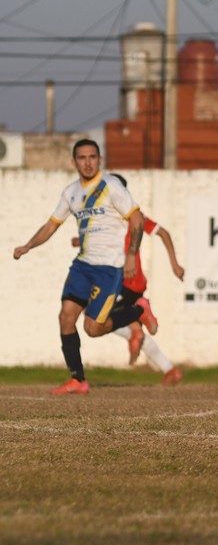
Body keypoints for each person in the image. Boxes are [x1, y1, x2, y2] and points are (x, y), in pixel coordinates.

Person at [12, 139, 159, 395]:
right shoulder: (70, 192)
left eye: (93, 157)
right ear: (74, 162)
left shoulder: (112, 186)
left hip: (108, 269)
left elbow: (136, 219)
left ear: (100, 160)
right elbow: (51, 225)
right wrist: (28, 245)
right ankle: (78, 379)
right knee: (66, 317)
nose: (88, 162)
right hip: (82, 265)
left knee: (93, 328)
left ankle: (138, 309)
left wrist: (132, 255)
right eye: (82, 158)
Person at [71, 173, 185, 386]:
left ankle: (140, 313)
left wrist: (175, 264)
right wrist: (81, 240)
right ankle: (170, 370)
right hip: (132, 283)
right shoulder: (109, 218)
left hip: (124, 282)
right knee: (128, 327)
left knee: (93, 316)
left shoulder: (132, 216)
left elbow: (164, 234)